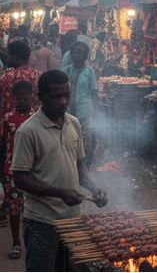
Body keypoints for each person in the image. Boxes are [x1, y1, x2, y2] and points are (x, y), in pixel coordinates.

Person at [12, 70, 108, 271]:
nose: (63, 101)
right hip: (43, 222)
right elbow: (20, 179)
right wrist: (60, 193)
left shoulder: (74, 123)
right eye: (55, 96)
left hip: (73, 218)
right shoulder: (28, 131)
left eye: (66, 95)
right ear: (40, 98)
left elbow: (80, 167)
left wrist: (94, 188)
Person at [0, 81, 36, 260]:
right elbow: (2, 144)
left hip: (33, 171)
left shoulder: (36, 118)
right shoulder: (7, 118)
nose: (23, 101)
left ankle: (30, 240)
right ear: (14, 99)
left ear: (32, 97)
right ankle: (16, 243)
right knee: (13, 209)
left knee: (31, 208)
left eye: (26, 98)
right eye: (19, 98)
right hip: (12, 171)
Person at [62, 42, 98, 167]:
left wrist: (95, 111)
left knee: (86, 140)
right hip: (69, 112)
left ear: (85, 56)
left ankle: (86, 166)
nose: (78, 56)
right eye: (76, 53)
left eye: (81, 53)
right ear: (71, 55)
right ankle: (72, 165)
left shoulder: (89, 72)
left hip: (85, 112)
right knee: (70, 139)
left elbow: (94, 92)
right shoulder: (66, 71)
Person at [0, 41, 41, 120]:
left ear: (16, 57)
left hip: (10, 126)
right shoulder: (39, 76)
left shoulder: (6, 78)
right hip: (35, 125)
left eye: (9, 55)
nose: (7, 58)